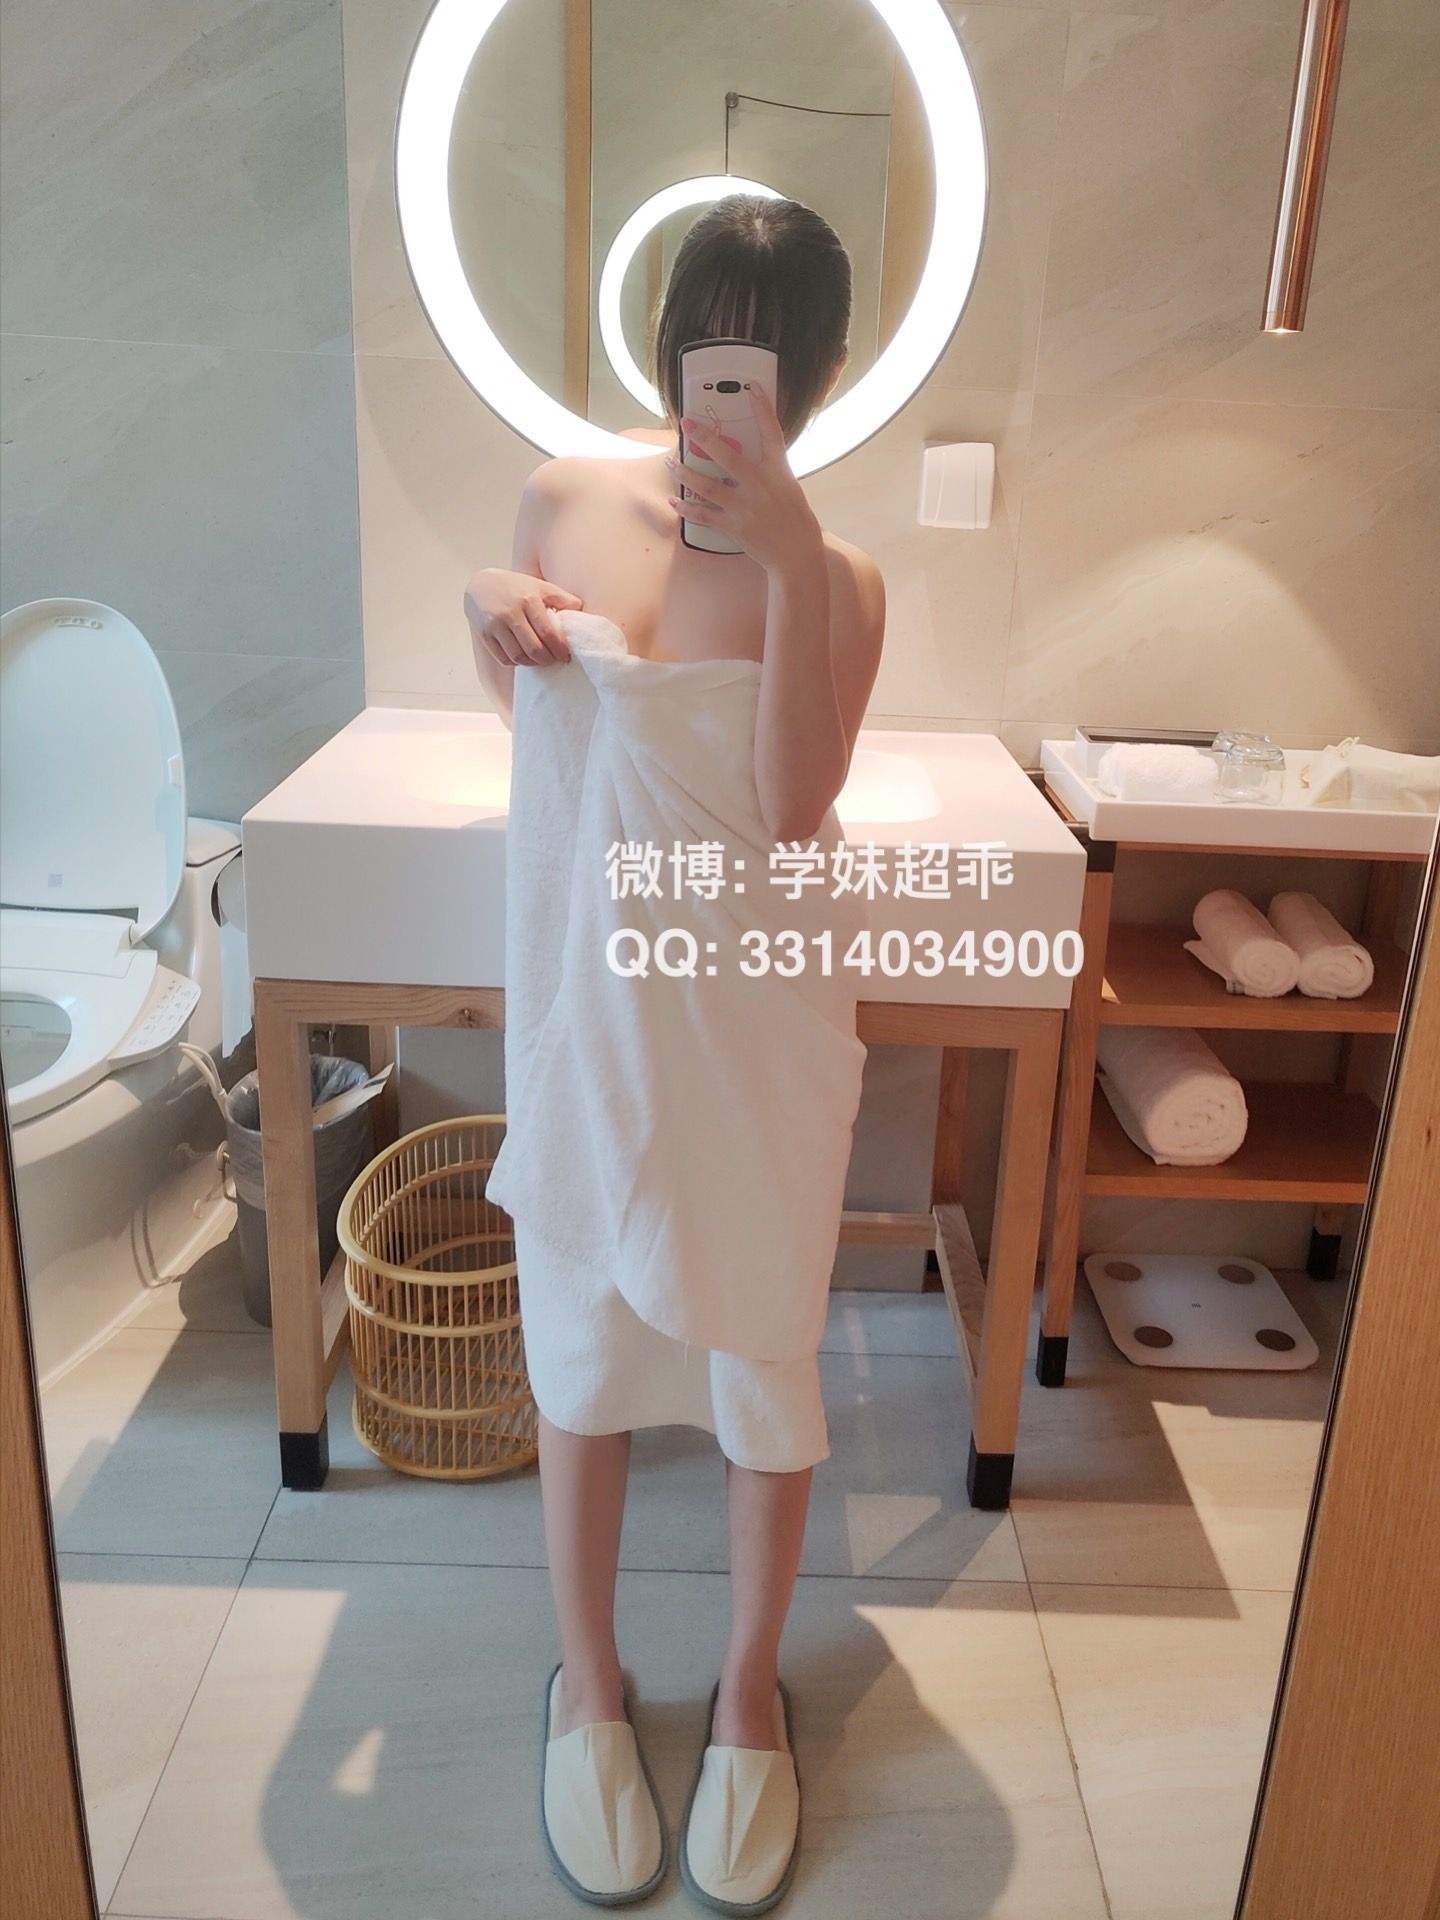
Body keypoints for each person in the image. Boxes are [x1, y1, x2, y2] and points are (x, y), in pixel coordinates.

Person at [464, 196, 884, 1914]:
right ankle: (588, 1679)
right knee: (583, 1340)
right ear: (670, 343)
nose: (733, 382)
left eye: (766, 354)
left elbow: (789, 809)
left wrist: (786, 561)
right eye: (711, 338)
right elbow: (538, 737)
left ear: (817, 375)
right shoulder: (564, 497)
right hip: (599, 1009)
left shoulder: (843, 578)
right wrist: (488, 604)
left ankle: (747, 1688)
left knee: (763, 1350)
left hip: (756, 1015)